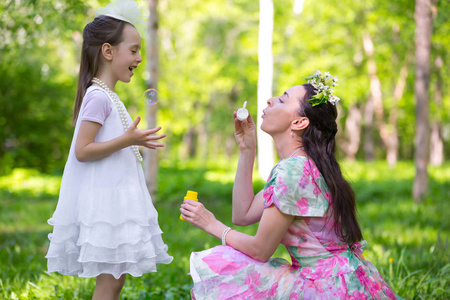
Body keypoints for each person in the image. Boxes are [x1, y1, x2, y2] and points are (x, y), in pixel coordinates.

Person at [180, 71, 401, 299]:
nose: (270, 100)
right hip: (344, 277)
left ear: (299, 122)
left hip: (324, 286)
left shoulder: (293, 171)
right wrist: (247, 150)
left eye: (282, 99)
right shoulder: (303, 166)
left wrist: (211, 224)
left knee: (222, 268)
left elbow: (260, 250)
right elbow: (242, 214)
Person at [45, 0, 172, 299]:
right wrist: (128, 140)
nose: (139, 58)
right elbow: (83, 150)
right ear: (108, 51)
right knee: (109, 281)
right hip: (104, 205)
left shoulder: (109, 96)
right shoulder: (99, 96)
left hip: (115, 200)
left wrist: (132, 139)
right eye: (134, 50)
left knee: (116, 280)